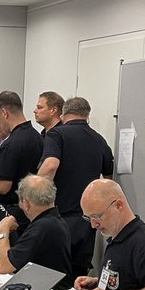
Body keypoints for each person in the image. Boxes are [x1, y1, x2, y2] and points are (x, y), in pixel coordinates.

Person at [39, 96, 114, 277]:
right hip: (86, 221)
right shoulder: (99, 140)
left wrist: (34, 191)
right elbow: (108, 179)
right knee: (77, 276)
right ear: (87, 115)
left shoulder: (56, 135)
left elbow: (50, 165)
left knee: (52, 275)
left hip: (59, 216)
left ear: (63, 115)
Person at [0, 175, 73, 288]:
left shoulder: (42, 228)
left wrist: (3, 228)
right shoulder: (53, 222)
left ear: (26, 204)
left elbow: (4, 267)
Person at [0, 90, 44, 217]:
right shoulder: (37, 137)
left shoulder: (11, 143)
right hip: (33, 209)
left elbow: (2, 187)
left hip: (12, 212)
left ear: (4, 113)